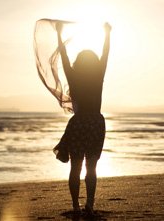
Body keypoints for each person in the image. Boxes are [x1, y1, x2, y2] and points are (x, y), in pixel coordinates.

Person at [53, 22, 111, 216]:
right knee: (91, 166)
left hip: (78, 124)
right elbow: (106, 53)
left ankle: (76, 206)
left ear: (79, 63)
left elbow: (64, 57)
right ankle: (90, 205)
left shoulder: (74, 77)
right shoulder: (98, 76)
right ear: (94, 63)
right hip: (95, 123)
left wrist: (59, 35)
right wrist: (107, 33)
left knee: (75, 166)